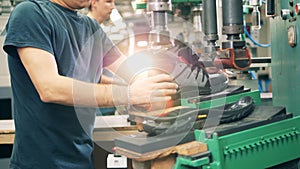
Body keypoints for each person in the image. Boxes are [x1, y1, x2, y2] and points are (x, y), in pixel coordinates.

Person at [3, 0, 178, 168]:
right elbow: (50, 88)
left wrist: (154, 82)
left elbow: (127, 70)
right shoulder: (31, 14)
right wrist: (128, 94)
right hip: (40, 162)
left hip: (81, 157)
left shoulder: (90, 27)